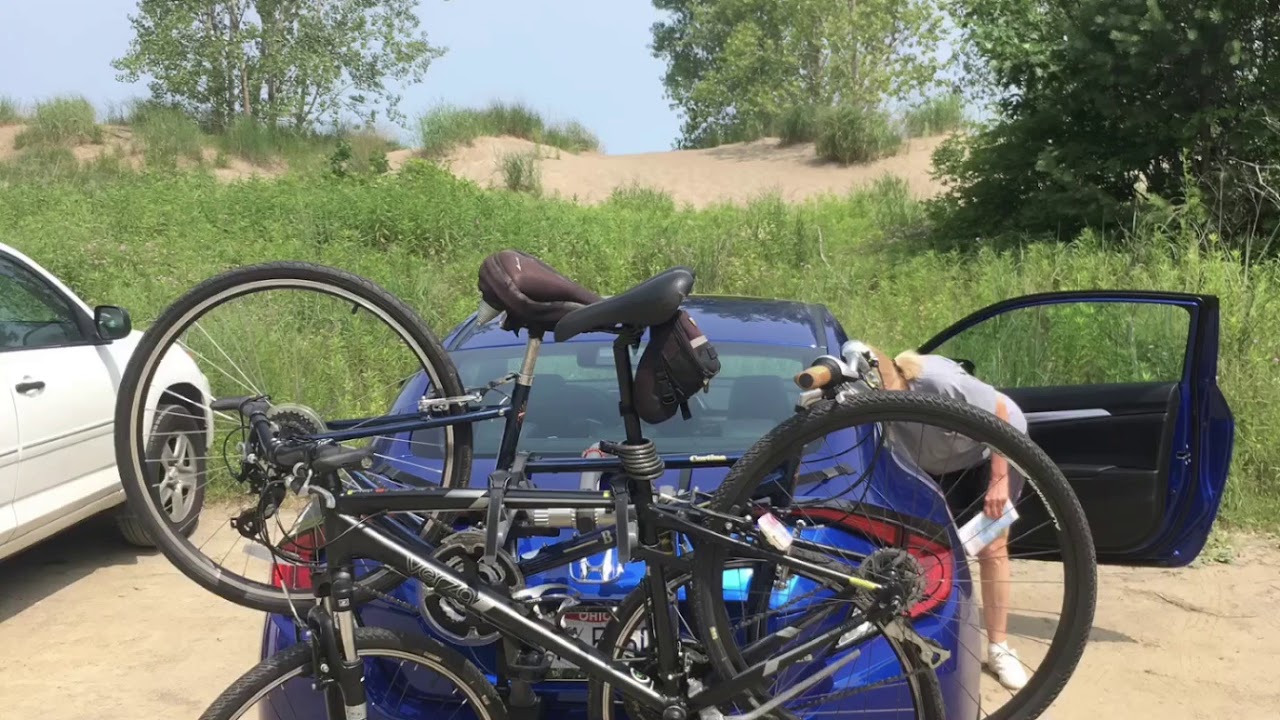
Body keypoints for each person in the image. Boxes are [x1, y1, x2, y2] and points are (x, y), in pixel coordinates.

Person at [869, 346, 1030, 691]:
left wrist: (999, 480)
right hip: (935, 463)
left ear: (893, 383)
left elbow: (998, 412)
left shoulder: (936, 382)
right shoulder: (869, 403)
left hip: (991, 448)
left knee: (991, 545)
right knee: (924, 544)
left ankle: (999, 648)